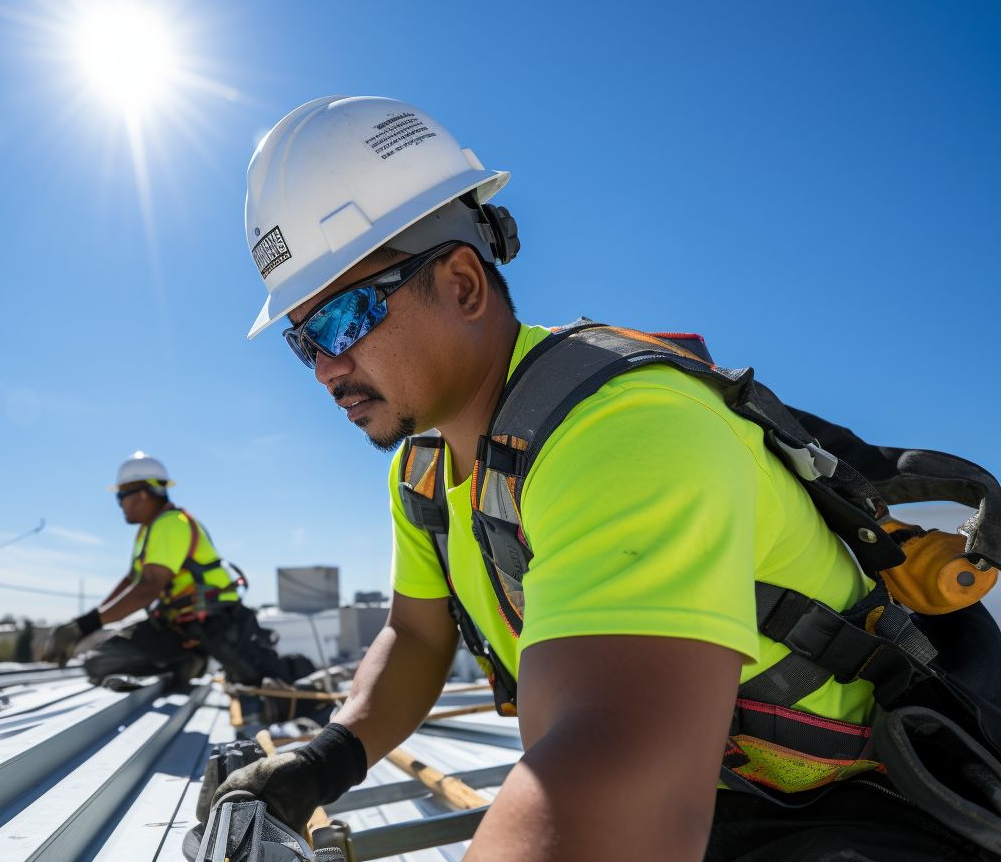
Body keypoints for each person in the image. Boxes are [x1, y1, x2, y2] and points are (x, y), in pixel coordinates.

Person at [202, 96, 1001, 860]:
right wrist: (327, 759)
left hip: (875, 801)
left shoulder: (623, 429)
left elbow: (617, 773)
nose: (326, 368)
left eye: (345, 318)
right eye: (304, 341)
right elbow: (415, 635)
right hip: (725, 796)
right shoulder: (424, 472)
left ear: (463, 284)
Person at [45, 452, 289, 690]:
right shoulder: (147, 531)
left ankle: (191, 659)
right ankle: (186, 660)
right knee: (101, 661)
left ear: (141, 495)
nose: (120, 505)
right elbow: (132, 581)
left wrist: (82, 627)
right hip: (175, 626)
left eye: (121, 497)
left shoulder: (171, 525)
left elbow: (147, 588)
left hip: (217, 621)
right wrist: (82, 626)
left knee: (267, 682)